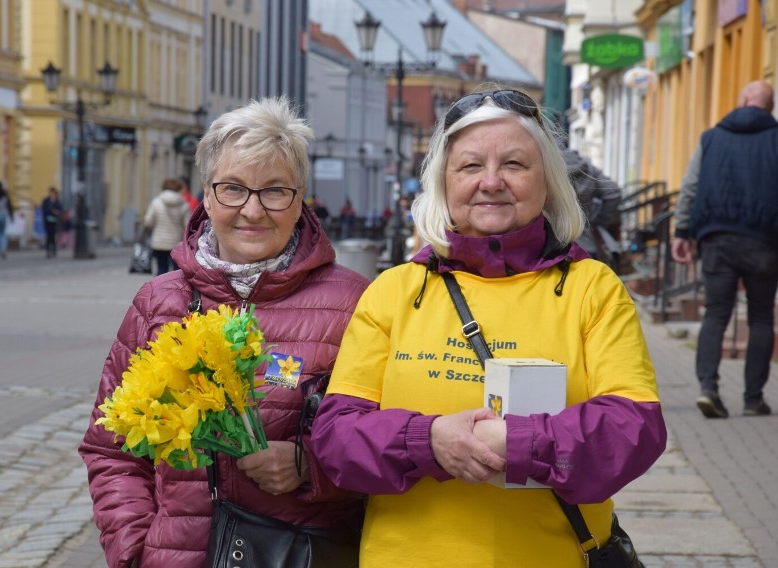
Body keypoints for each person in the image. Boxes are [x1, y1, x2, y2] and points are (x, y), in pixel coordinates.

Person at [311, 88, 667, 566]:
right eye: (470, 166)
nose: (492, 182)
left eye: (515, 165)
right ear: (443, 182)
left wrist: (523, 444)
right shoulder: (395, 291)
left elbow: (634, 428)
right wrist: (429, 441)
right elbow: (336, 438)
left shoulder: (592, 288)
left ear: (548, 181)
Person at [79, 97, 369, 567]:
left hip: (297, 554)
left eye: (275, 191)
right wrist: (133, 549)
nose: (253, 211)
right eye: (233, 188)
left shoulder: (354, 304)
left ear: (300, 201)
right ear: (208, 196)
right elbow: (109, 448)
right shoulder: (159, 302)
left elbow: (383, 449)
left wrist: (309, 467)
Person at [671, 79, 778, 419]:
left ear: (743, 100)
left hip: (716, 239)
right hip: (765, 241)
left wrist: (681, 232)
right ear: (769, 107)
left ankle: (709, 390)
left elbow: (690, 187)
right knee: (761, 315)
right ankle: (752, 399)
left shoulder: (712, 137)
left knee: (716, 313)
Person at [560, 146, 623, 271]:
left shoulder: (547, 161)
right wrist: (598, 222)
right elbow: (613, 192)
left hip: (552, 246)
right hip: (587, 244)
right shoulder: (586, 167)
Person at [142, 178, 192, 275]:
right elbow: (188, 225)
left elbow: (148, 222)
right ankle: (175, 290)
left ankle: (159, 289)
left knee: (161, 269)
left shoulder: (156, 203)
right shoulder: (184, 205)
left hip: (159, 242)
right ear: (178, 189)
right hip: (177, 243)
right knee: (176, 272)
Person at [41, 187, 64, 258]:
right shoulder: (46, 201)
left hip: (55, 221)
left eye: (52, 192)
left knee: (54, 236)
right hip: (48, 221)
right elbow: (44, 209)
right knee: (48, 236)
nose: (51, 194)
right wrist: (51, 211)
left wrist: (56, 212)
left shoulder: (57, 201)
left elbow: (60, 210)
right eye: (50, 192)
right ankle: (48, 250)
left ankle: (54, 249)